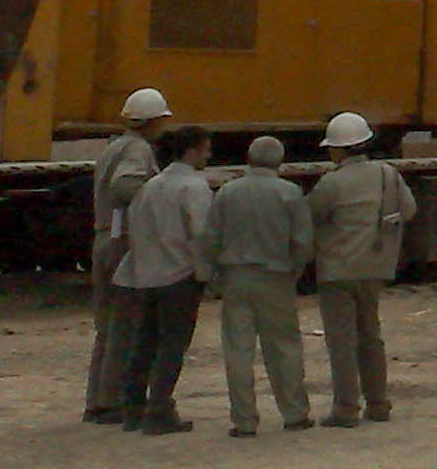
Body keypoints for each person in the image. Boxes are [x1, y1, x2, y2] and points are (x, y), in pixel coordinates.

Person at [306, 111, 417, 428]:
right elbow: (408, 210)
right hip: (374, 267)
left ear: (338, 150)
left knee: (341, 340)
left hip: (337, 270)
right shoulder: (388, 175)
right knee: (371, 335)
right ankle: (378, 403)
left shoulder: (331, 182)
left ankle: (346, 408)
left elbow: (309, 215)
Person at [207, 135, 314, 439]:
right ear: (279, 160)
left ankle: (244, 420)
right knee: (285, 347)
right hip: (277, 277)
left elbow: (211, 237)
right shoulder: (290, 193)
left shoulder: (228, 192)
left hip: (236, 278)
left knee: (238, 350)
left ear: (249, 158)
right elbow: (303, 243)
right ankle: (294, 413)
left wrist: (215, 273)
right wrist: (294, 270)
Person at [114, 123, 215, 434]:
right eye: (206, 148)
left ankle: (132, 409)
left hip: (145, 276)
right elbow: (201, 235)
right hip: (180, 275)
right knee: (172, 346)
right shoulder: (195, 187)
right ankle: (160, 409)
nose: (209, 155)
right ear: (193, 150)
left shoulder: (150, 186)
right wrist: (207, 274)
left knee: (143, 343)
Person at [83, 87, 172, 424]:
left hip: (104, 236)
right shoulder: (138, 149)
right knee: (125, 324)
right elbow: (125, 186)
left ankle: (97, 400)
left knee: (107, 326)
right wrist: (158, 200)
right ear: (153, 121)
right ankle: (113, 401)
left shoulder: (113, 147)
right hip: (122, 241)